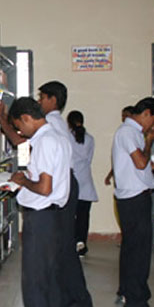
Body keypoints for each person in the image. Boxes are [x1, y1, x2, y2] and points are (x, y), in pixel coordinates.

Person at [5, 97, 70, 307]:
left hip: (41, 219)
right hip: (54, 218)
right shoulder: (59, 136)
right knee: (51, 283)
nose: (20, 131)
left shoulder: (43, 141)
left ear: (26, 118)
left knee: (34, 286)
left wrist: (22, 181)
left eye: (19, 126)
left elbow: (44, 187)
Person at [37, 81, 94, 307]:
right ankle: (74, 300)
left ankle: (80, 302)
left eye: (42, 97)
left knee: (64, 248)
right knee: (63, 247)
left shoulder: (51, 123)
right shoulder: (58, 123)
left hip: (63, 184)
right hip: (67, 183)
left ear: (52, 99)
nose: (39, 101)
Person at [112, 97, 154, 307]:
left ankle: (126, 293)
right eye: (153, 121)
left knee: (131, 249)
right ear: (146, 113)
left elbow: (140, 166)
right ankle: (137, 304)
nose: (152, 127)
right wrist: (149, 141)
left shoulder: (129, 132)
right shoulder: (129, 132)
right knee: (139, 253)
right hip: (135, 199)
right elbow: (141, 162)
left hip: (130, 197)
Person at [67, 110, 98, 257]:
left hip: (71, 180)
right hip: (86, 181)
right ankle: (81, 244)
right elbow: (89, 159)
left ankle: (70, 243)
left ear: (69, 123)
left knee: (69, 216)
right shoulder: (90, 139)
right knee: (83, 217)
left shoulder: (66, 137)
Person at [105, 106, 135, 186]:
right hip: (122, 179)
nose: (124, 118)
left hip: (131, 180)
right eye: (123, 116)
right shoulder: (122, 132)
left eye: (126, 116)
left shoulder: (132, 133)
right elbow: (118, 159)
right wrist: (110, 175)